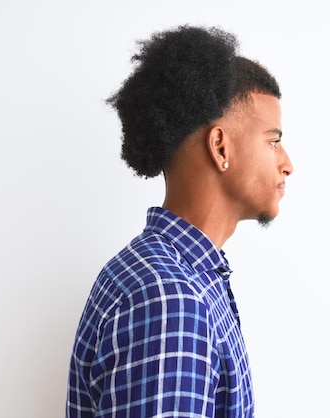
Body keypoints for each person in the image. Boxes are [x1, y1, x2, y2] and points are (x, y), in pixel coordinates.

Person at [66, 24, 293, 418]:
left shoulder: (180, 278)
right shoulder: (171, 299)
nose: (287, 164)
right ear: (220, 146)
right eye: (272, 141)